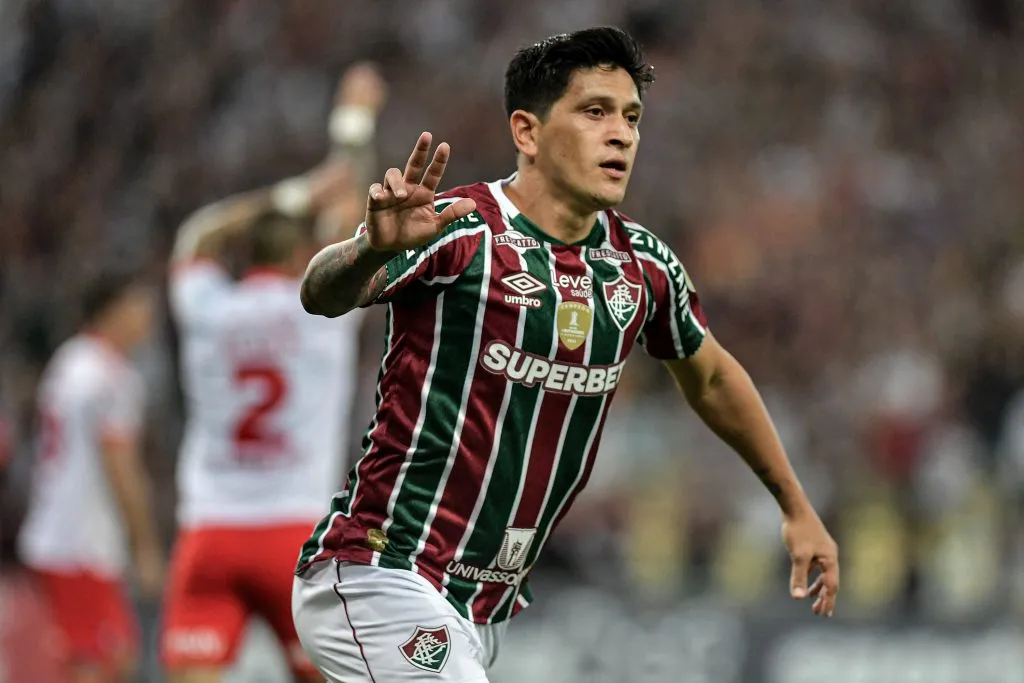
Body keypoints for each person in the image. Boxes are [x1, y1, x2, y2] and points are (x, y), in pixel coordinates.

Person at [294, 27, 840, 683]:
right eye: (595, 112)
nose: (622, 135)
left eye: (632, 117)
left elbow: (713, 375)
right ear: (527, 132)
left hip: (476, 606)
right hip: (381, 567)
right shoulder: (458, 229)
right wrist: (370, 250)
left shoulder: (641, 266)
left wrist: (795, 504)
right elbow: (322, 293)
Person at [160, 64, 386, 683]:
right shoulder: (320, 309)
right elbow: (352, 203)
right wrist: (355, 121)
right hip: (293, 531)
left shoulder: (207, 306)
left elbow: (197, 236)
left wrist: (288, 194)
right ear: (299, 255)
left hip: (208, 531)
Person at [18, 271, 163, 683]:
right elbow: (122, 469)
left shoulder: (69, 359)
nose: (147, 319)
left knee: (91, 660)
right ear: (113, 311)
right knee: (105, 663)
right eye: (140, 307)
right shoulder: (111, 376)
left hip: (55, 531)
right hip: (82, 542)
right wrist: (144, 546)